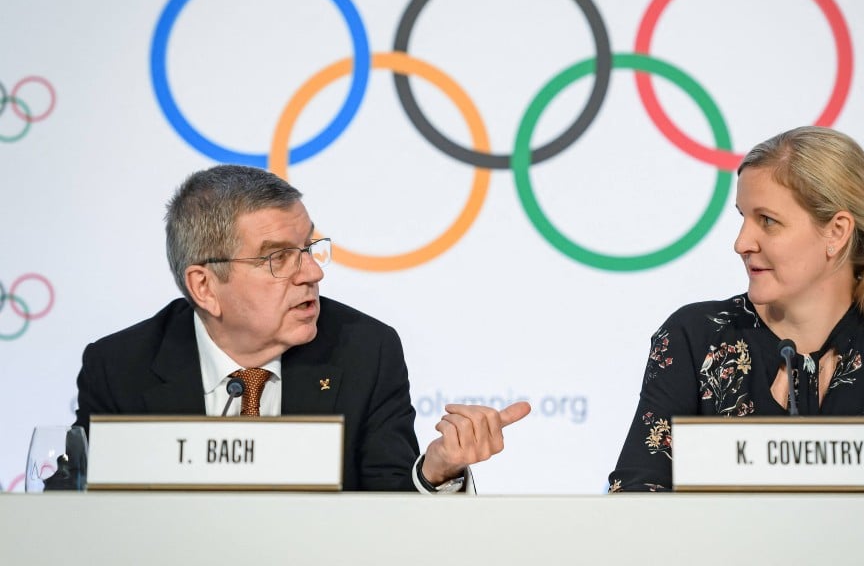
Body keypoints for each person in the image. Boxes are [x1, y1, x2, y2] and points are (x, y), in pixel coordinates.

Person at [74, 164, 530, 492]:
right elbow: (78, 519)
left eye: (309, 247)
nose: (312, 273)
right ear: (205, 287)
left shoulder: (364, 350)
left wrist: (437, 471)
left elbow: (390, 516)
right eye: (278, 258)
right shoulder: (120, 368)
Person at [608, 126, 864, 493]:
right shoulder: (694, 337)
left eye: (768, 221)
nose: (741, 242)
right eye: (743, 217)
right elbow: (637, 502)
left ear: (837, 232)